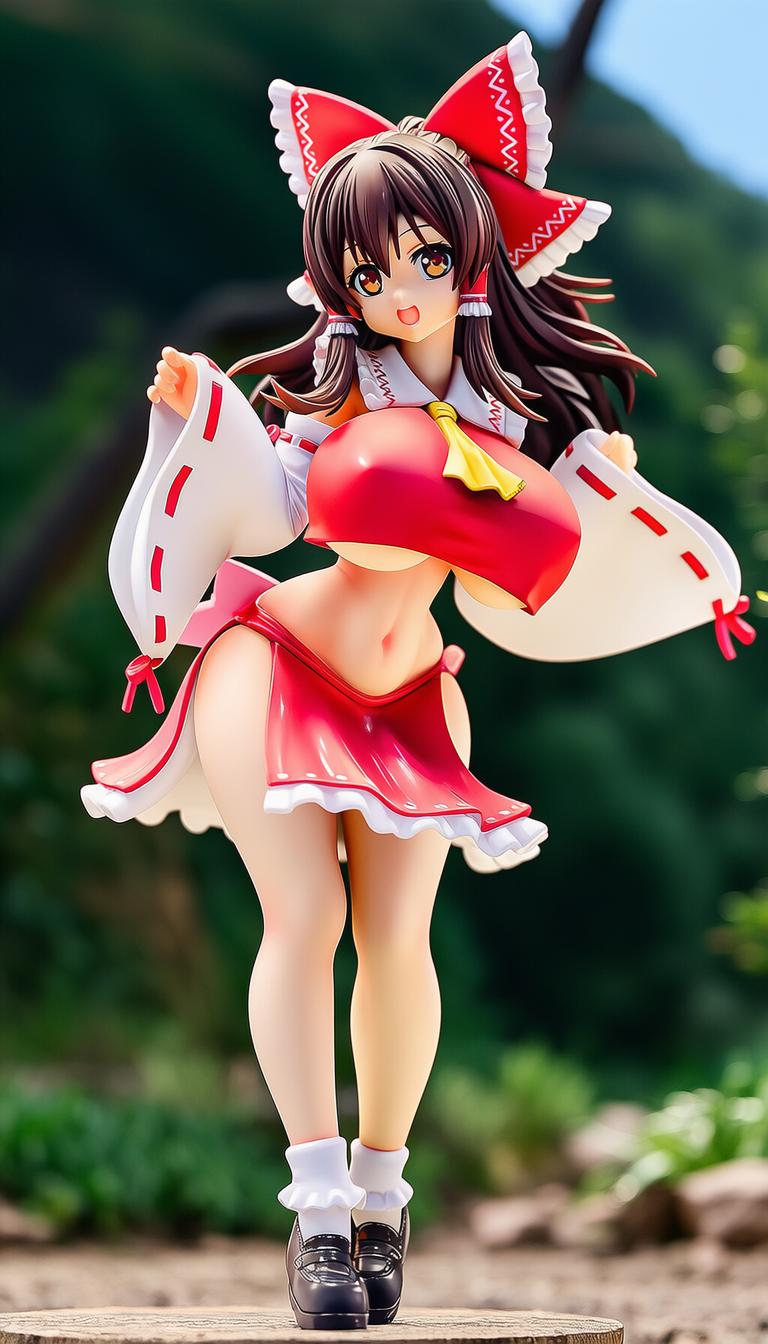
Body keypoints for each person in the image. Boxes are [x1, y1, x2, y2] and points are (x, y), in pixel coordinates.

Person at [81, 32, 754, 1329]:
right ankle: (318, 1211)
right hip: (280, 664)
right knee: (306, 923)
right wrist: (195, 426)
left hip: (413, 693)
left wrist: (609, 498)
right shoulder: (338, 394)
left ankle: (384, 1197)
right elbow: (280, 503)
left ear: (473, 253)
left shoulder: (517, 412)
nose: (401, 291)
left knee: (399, 945)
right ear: (340, 277)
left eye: (427, 260)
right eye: (370, 269)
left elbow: (550, 556)